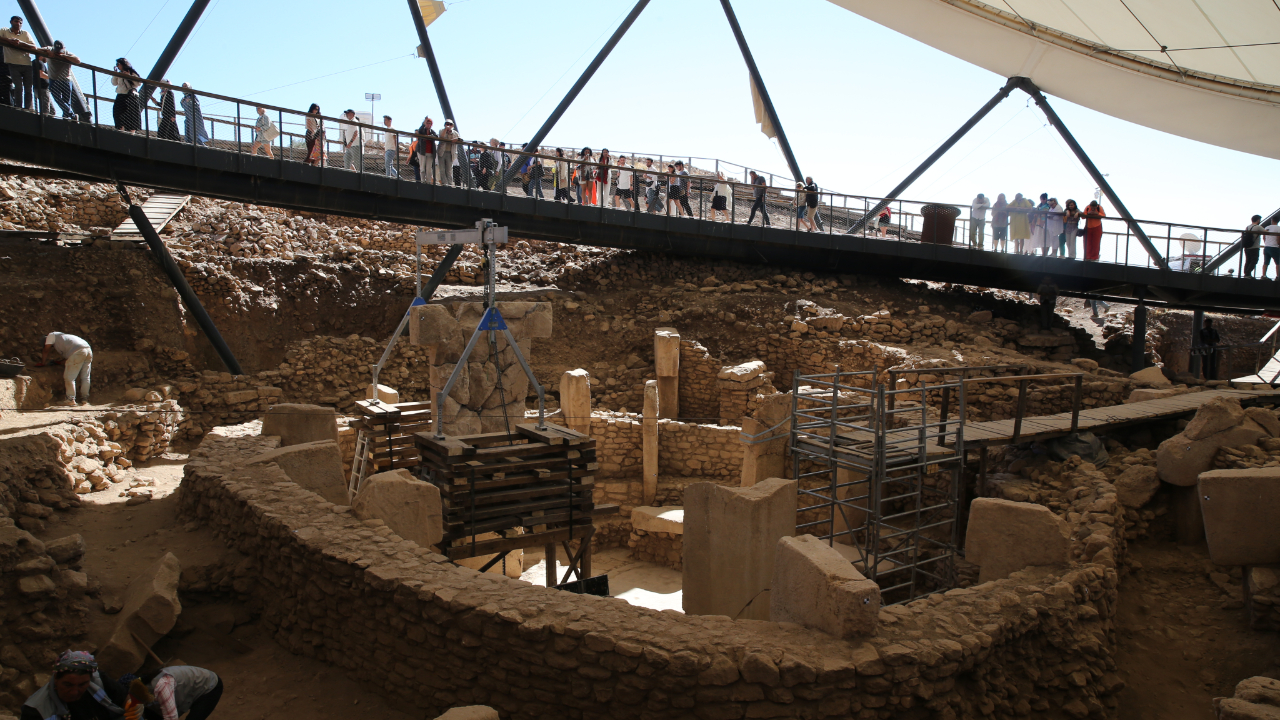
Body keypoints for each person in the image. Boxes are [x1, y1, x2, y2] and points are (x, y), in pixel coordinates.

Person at [20, 651, 127, 720]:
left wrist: (133, 704)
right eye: (68, 685)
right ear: (56, 678)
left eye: (82, 685)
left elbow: (125, 699)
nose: (74, 692)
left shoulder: (98, 682)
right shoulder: (35, 711)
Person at [147, 665, 223, 720]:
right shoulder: (146, 690)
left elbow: (171, 717)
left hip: (208, 687)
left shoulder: (162, 687)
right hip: (185, 689)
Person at [38, 331, 92, 406]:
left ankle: (70, 399)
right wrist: (58, 362)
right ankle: (85, 399)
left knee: (69, 378)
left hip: (79, 352)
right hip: (88, 349)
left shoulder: (51, 335)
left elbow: (46, 350)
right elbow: (71, 359)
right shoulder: (64, 339)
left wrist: (42, 363)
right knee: (85, 377)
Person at [43, 41, 90, 121]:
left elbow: (78, 60)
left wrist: (63, 56)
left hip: (66, 80)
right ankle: (72, 115)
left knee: (66, 101)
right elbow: (37, 49)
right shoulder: (50, 49)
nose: (58, 52)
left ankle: (66, 118)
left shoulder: (67, 53)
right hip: (54, 80)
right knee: (58, 99)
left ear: (63, 48)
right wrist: (48, 52)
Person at [1, 15, 35, 110]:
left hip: (26, 64)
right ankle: (18, 107)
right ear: (11, 22)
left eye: (20, 22)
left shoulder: (25, 33)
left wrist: (20, 43)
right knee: (18, 87)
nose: (18, 24)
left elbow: (33, 47)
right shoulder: (4, 31)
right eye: (16, 21)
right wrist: (9, 41)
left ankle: (28, 108)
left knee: (28, 88)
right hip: (13, 63)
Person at [111, 58, 142, 132]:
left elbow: (138, 83)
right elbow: (114, 83)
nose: (117, 66)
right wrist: (115, 74)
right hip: (121, 94)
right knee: (117, 112)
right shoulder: (120, 73)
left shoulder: (131, 72)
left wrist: (129, 76)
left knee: (131, 115)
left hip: (129, 95)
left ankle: (131, 131)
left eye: (118, 64)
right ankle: (120, 128)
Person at [437, 119, 459, 186]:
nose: (448, 126)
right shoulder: (441, 130)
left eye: (450, 124)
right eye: (447, 124)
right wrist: (446, 130)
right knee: (442, 169)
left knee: (449, 169)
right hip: (442, 152)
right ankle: (444, 183)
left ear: (452, 125)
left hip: (450, 153)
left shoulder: (455, 133)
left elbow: (458, 139)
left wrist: (455, 140)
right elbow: (442, 136)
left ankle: (449, 183)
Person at [414, 118, 436, 183]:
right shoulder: (422, 130)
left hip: (430, 152)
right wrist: (423, 123)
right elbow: (420, 130)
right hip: (422, 152)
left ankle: (428, 182)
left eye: (430, 123)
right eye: (427, 123)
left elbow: (436, 136)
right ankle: (423, 181)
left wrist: (429, 136)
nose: (428, 125)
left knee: (429, 169)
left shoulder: (432, 132)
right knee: (422, 168)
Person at [1264, 215, 1280, 280]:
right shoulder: (1278, 228)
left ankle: (1263, 275)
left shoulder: (1267, 227)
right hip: (1275, 247)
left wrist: (1266, 243)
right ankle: (1278, 276)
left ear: (1272, 220)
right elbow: (1278, 238)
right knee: (1278, 262)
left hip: (1267, 247)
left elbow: (1264, 237)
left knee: (1266, 262)